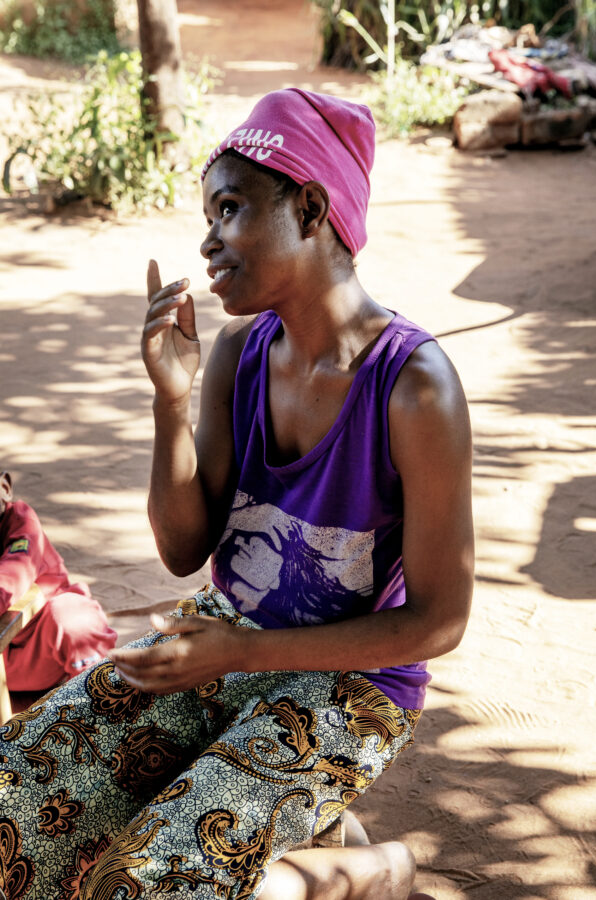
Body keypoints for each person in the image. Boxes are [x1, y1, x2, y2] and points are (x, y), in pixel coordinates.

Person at [0, 89, 472, 900]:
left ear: (312, 209)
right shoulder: (238, 351)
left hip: (353, 685)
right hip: (225, 637)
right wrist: (169, 398)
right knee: (13, 810)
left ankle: (371, 874)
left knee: (145, 884)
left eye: (229, 209)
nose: (207, 242)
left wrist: (245, 655)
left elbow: (439, 622)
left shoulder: (414, 388)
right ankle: (313, 831)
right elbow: (185, 550)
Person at [0, 470, 117, 694]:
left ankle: (98, 694)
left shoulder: (22, 522)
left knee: (73, 616)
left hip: (41, 649)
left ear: (4, 488)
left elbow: (13, 574)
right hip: (7, 667)